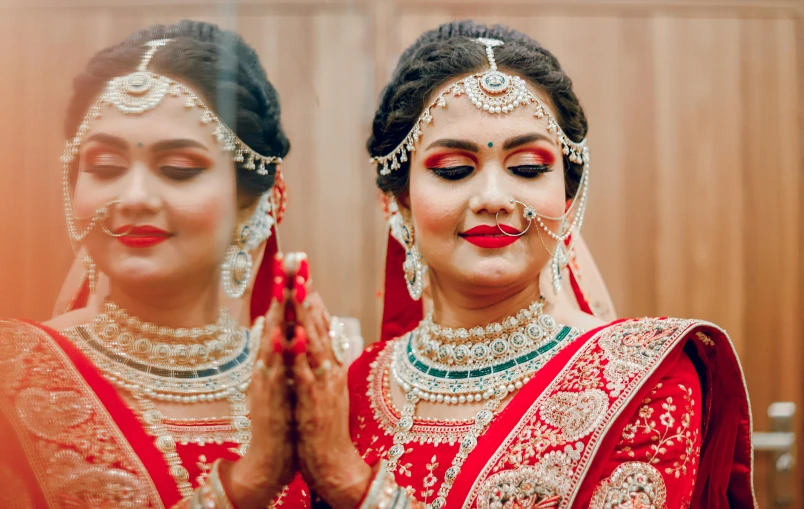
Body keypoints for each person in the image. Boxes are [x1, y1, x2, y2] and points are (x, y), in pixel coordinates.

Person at [283, 21, 756, 509]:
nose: (494, 198)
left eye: (528, 168)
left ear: (568, 199)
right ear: (398, 205)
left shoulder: (643, 379)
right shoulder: (352, 388)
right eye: (453, 170)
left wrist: (352, 486)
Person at [0, 21, 309, 508]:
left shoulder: (303, 386)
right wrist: (240, 489)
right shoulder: (13, 370)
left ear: (251, 203)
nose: (135, 198)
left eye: (178, 170)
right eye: (104, 167)